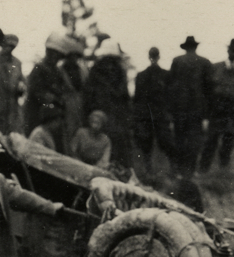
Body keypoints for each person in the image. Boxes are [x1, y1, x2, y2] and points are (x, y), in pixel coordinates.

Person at [200, 38, 234, 172]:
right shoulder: (216, 67)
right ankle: (203, 169)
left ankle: (223, 170)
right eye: (231, 50)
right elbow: (206, 86)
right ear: (227, 50)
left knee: (228, 140)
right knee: (211, 139)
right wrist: (212, 100)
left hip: (233, 111)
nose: (233, 53)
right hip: (217, 110)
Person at [24, 32, 82, 153]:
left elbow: (64, 90)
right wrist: (53, 98)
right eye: (53, 53)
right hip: (37, 114)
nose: (55, 57)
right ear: (48, 52)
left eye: (58, 55)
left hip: (52, 117)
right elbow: (37, 92)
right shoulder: (38, 69)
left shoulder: (57, 71)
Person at [166, 35, 212, 176]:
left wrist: (171, 113)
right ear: (196, 47)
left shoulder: (177, 61)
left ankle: (179, 171)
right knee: (194, 141)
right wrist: (206, 115)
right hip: (197, 111)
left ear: (185, 48)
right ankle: (191, 171)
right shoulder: (205, 63)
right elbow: (209, 92)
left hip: (179, 110)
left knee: (179, 139)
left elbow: (170, 89)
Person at [82, 39, 132, 169]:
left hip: (100, 114)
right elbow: (124, 96)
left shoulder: (96, 69)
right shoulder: (119, 71)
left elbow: (88, 95)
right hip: (114, 116)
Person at [132, 46, 171, 179]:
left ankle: (161, 171)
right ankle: (151, 171)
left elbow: (137, 99)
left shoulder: (144, 75)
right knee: (149, 144)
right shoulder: (162, 74)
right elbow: (137, 98)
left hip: (152, 115)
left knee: (160, 143)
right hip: (152, 115)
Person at [0, 33, 27, 134]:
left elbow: (21, 83)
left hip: (12, 111)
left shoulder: (17, 63)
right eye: (7, 45)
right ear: (2, 44)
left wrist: (21, 87)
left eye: (12, 46)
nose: (9, 49)